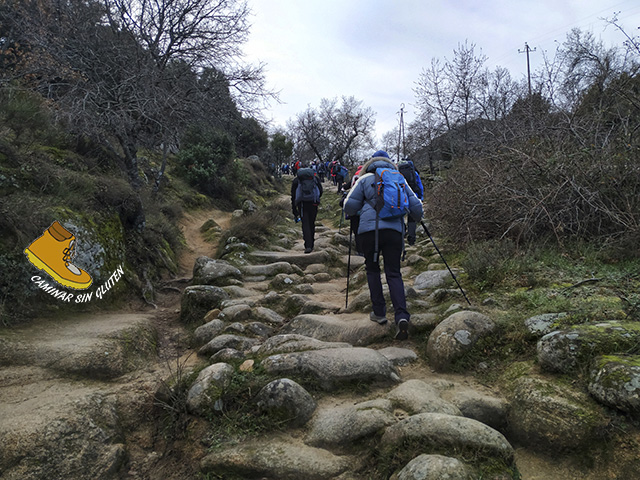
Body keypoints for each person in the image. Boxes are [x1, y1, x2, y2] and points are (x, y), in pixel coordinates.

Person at [343, 150, 423, 340]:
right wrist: (415, 219)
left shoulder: (364, 179)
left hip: (369, 233)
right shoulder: (399, 179)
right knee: (394, 272)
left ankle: (379, 312)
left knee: (372, 270)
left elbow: (349, 207)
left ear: (371, 163)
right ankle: (401, 315)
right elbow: (417, 208)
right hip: (394, 233)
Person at [291, 165, 323, 253]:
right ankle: (311, 243)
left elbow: (293, 196)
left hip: (302, 204)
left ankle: (308, 245)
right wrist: (316, 199)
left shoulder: (297, 181)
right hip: (313, 203)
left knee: (305, 224)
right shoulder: (315, 179)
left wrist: (294, 209)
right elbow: (320, 191)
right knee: (311, 223)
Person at [398, 159, 424, 246]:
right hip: (413, 196)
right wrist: (420, 197)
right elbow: (419, 185)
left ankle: (401, 235)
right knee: (412, 218)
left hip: (401, 197)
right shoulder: (414, 172)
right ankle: (412, 239)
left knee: (400, 216)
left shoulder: (397, 173)